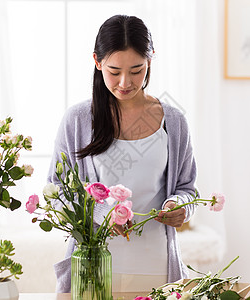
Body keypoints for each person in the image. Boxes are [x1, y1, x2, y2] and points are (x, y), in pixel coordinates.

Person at [48, 14, 199, 293]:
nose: (125, 83)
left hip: (157, 267)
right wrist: (104, 212)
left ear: (150, 59)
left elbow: (187, 188)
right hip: (93, 267)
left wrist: (179, 206)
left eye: (137, 70)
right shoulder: (78, 120)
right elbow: (56, 191)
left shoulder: (174, 121)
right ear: (97, 61)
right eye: (114, 71)